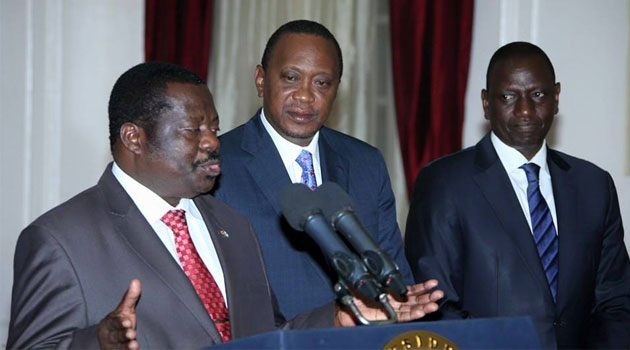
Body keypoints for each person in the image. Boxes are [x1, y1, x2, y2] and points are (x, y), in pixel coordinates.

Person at [7, 62, 443, 349]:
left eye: (213, 127)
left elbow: (266, 334)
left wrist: (343, 316)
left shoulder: (229, 223)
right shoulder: (60, 239)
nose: (213, 142)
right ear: (133, 138)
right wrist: (96, 344)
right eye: (193, 130)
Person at [404, 41, 630, 349]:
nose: (525, 110)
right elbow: (436, 307)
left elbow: (616, 300)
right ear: (486, 103)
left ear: (557, 97)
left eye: (538, 95)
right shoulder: (443, 183)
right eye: (508, 96)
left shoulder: (594, 185)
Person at [212, 19, 415, 321]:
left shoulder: (366, 163)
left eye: (322, 83)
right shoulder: (218, 165)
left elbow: (395, 277)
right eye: (291, 78)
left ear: (336, 90)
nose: (305, 95)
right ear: (261, 80)